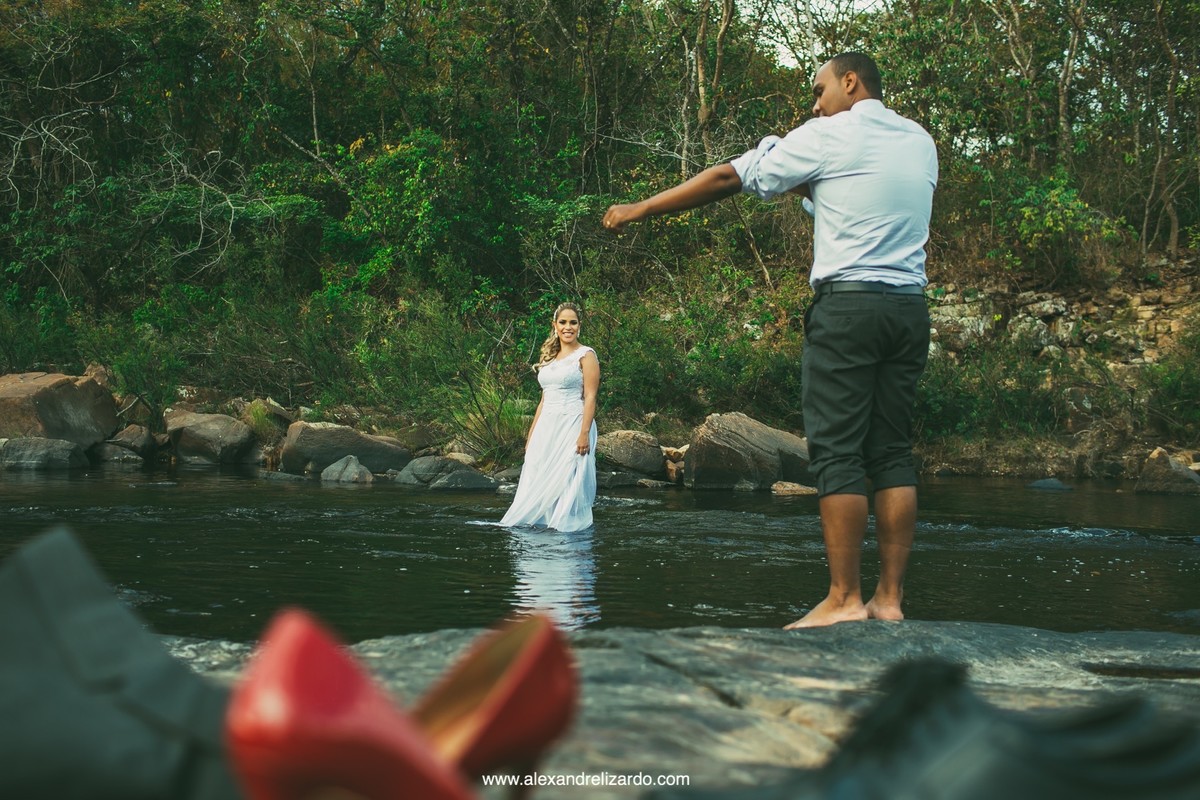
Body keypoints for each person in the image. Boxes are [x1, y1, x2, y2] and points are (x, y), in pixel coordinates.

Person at [603, 52, 937, 629]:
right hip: (908, 309)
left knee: (836, 453)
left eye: (820, 89)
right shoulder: (918, 141)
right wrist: (787, 165)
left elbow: (730, 177)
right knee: (890, 453)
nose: (814, 103)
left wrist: (641, 208)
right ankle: (889, 601)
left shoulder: (829, 134)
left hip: (849, 310)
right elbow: (838, 193)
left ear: (850, 82)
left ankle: (842, 601)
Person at [500, 302, 600, 532]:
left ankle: (565, 528)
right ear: (555, 325)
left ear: (579, 326)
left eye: (573, 322)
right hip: (547, 425)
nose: (568, 327)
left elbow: (591, 397)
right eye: (563, 322)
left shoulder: (586, 355)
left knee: (567, 475)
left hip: (573, 423)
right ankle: (542, 524)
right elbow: (544, 400)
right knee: (539, 471)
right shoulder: (549, 358)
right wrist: (531, 435)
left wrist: (584, 433)